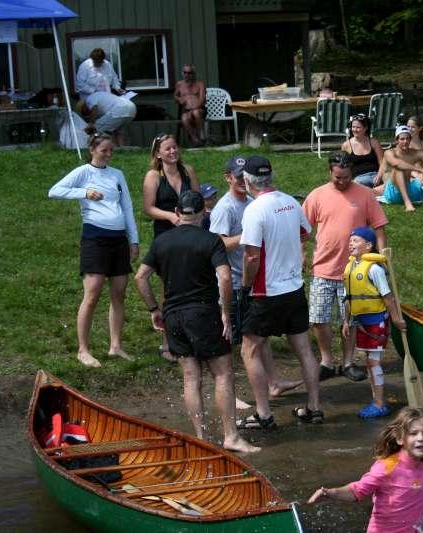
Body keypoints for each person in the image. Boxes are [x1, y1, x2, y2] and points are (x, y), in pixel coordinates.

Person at [134, 191, 259, 454]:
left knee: (191, 377)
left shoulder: (161, 241)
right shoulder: (211, 240)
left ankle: (201, 438)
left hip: (173, 316)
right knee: (222, 373)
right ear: (203, 213)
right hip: (203, 313)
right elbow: (225, 277)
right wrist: (225, 313)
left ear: (177, 213)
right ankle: (231, 436)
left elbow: (140, 277)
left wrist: (154, 309)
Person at [236, 156, 323, 429]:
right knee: (304, 350)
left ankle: (263, 414)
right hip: (294, 287)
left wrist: (246, 286)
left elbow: (252, 257)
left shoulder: (254, 210)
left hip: (267, 292)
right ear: (270, 177)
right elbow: (305, 234)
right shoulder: (290, 202)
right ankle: (314, 408)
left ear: (247, 181)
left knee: (249, 350)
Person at [209, 156, 303, 400]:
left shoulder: (253, 201)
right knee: (232, 339)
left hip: (256, 281)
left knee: (260, 337)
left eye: (245, 176)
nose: (242, 181)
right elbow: (216, 245)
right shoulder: (225, 208)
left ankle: (273, 383)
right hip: (235, 282)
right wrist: (250, 235)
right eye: (237, 176)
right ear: (228, 177)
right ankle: (230, 394)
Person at [48, 133, 139, 368]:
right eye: (104, 150)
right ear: (92, 150)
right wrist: (84, 193)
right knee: (93, 293)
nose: (108, 154)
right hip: (94, 238)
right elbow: (54, 190)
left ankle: (115, 346)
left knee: (119, 292)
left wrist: (134, 240)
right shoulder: (83, 172)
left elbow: (127, 207)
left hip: (119, 239)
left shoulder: (117, 174)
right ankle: (83, 349)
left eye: (111, 151)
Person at [302, 152, 388, 382]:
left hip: (355, 271)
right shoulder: (317, 195)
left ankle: (348, 361)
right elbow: (302, 229)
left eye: (347, 177)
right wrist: (301, 253)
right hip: (323, 268)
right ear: (330, 172)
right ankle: (326, 361)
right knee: (319, 318)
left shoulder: (365, 194)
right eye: (337, 177)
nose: (342, 181)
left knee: (350, 319)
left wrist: (382, 257)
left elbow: (379, 227)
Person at [142, 133, 200, 361]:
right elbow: (148, 208)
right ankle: (168, 342)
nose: (173, 151)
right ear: (158, 153)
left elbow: (197, 200)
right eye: (167, 149)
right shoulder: (153, 176)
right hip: (166, 236)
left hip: (190, 234)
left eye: (175, 147)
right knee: (169, 289)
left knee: (192, 285)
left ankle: (193, 337)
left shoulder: (188, 171)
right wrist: (170, 216)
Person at [341, 227, 405, 418]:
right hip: (361, 322)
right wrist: (346, 321)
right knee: (369, 361)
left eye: (356, 240)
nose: (351, 243)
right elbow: (348, 299)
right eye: (350, 240)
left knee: (372, 361)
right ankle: (377, 399)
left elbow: (388, 297)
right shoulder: (350, 268)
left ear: (368, 246)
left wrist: (396, 319)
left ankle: (379, 404)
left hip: (377, 321)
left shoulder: (374, 269)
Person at [375, 125, 423, 211]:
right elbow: (397, 164)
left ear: (410, 139)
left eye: (407, 139)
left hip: (411, 191)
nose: (405, 141)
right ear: (396, 140)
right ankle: (408, 203)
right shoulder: (389, 153)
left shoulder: (415, 153)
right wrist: (421, 170)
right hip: (392, 193)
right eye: (402, 139)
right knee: (399, 168)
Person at [75, 48, 136, 136]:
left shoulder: (107, 64)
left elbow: (114, 78)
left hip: (106, 104)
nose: (98, 64)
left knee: (112, 128)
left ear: (103, 60)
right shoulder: (84, 66)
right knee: (93, 128)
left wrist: (117, 88)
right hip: (90, 104)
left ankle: (112, 143)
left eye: (100, 62)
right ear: (92, 59)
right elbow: (79, 85)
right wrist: (94, 91)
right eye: (96, 62)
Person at [340, 114, 385, 188]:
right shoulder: (346, 145)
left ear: (365, 128)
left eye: (358, 127)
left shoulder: (374, 142)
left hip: (375, 175)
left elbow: (382, 162)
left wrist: (379, 176)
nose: (355, 130)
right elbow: (343, 166)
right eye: (353, 127)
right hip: (358, 179)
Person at [174, 64, 207, 147]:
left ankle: (201, 133)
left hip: (199, 109)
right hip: (186, 110)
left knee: (196, 112)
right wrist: (179, 99)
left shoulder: (200, 84)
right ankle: (195, 139)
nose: (187, 75)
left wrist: (194, 108)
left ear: (194, 74)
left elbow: (202, 100)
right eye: (185, 72)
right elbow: (175, 96)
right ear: (182, 73)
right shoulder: (179, 84)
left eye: (189, 73)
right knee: (184, 118)